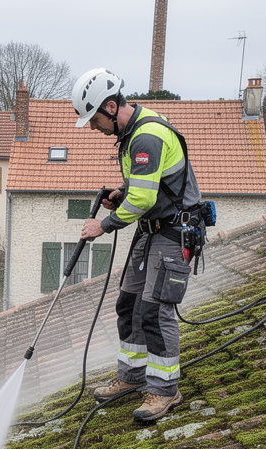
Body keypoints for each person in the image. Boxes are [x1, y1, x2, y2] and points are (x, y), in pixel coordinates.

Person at [74, 68, 201, 424]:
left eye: (95, 119)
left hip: (173, 232)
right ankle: (131, 378)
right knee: (129, 303)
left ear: (111, 107)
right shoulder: (132, 134)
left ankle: (164, 391)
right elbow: (145, 188)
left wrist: (104, 224)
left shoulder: (146, 136)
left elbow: (144, 198)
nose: (95, 128)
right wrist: (121, 193)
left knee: (155, 311)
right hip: (152, 230)